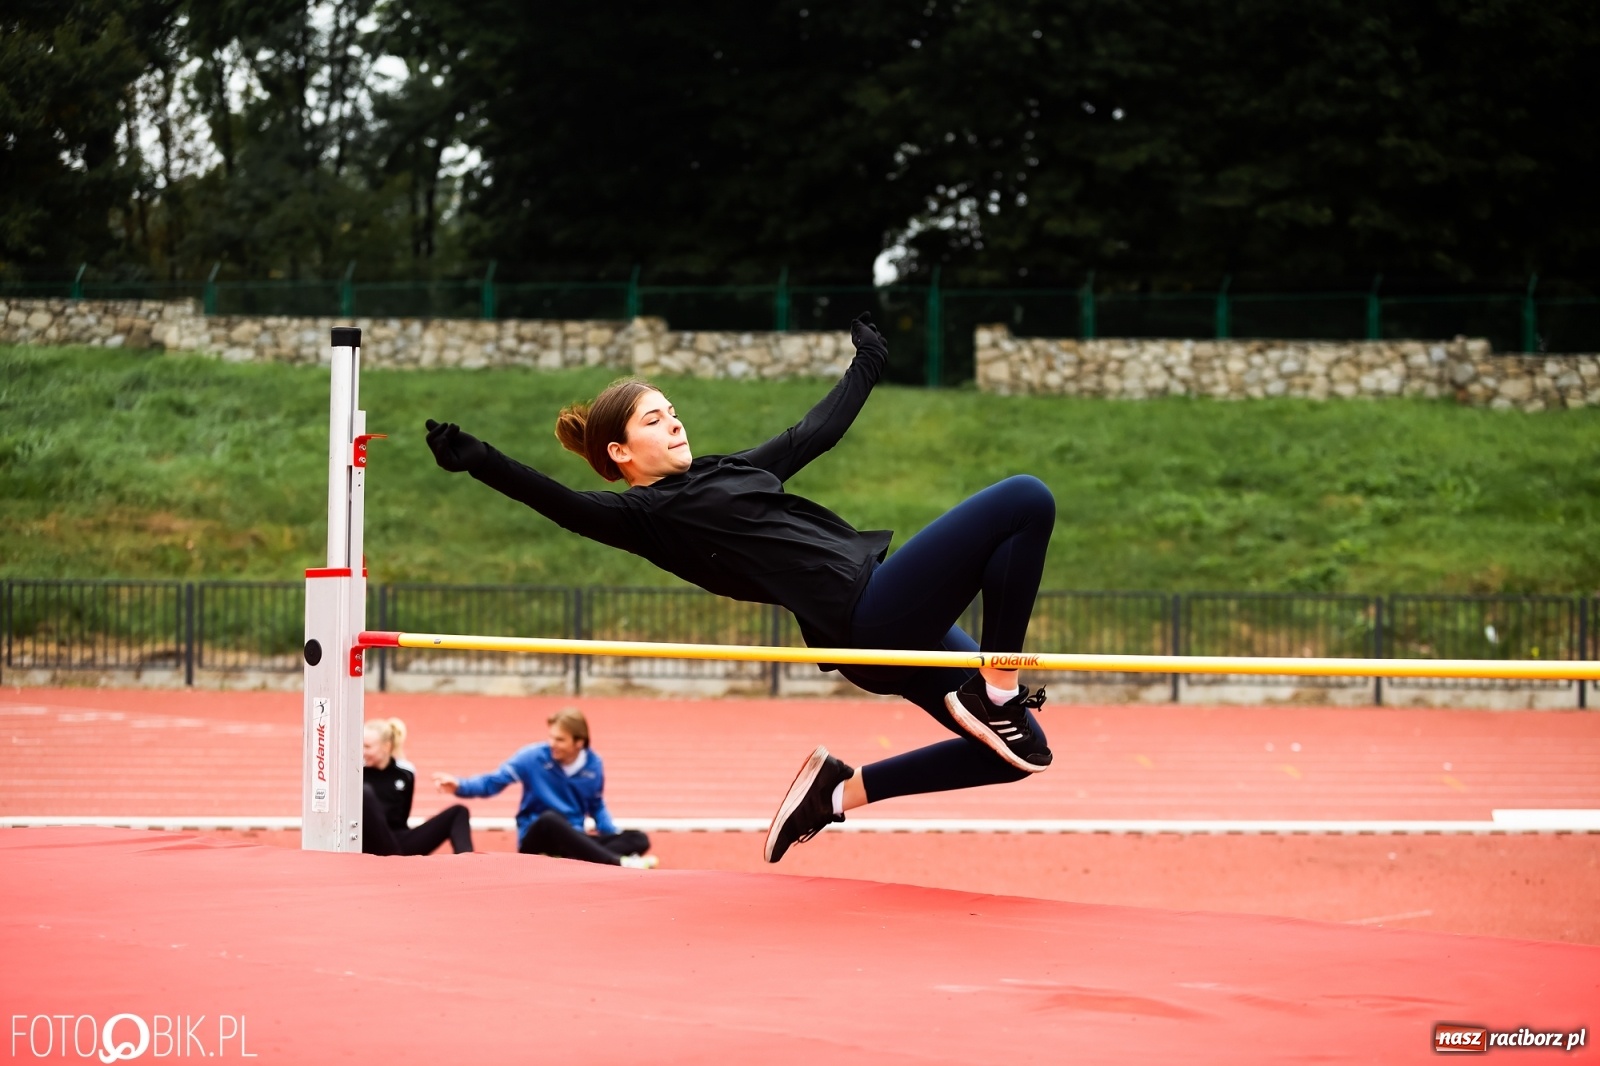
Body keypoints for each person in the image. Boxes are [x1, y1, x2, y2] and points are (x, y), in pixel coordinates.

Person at [424, 313, 1054, 864]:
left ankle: (836, 792)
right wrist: (481, 460)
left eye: (672, 410)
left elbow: (817, 432)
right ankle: (995, 689)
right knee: (1025, 499)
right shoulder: (644, 517)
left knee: (1019, 754)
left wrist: (871, 359)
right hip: (869, 614)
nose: (674, 423)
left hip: (880, 622)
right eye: (654, 418)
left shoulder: (728, 470)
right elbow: (559, 503)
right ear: (620, 451)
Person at [433, 707, 656, 868]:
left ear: (579, 743)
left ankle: (576, 859)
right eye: (550, 737)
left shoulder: (594, 765)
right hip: (536, 837)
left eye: (560, 740)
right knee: (550, 819)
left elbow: (596, 805)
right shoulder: (531, 757)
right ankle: (614, 862)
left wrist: (611, 835)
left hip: (573, 837)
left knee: (638, 839)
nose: (552, 744)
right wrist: (460, 786)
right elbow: (493, 782)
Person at [361, 717, 474, 856]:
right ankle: (394, 859)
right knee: (364, 792)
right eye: (360, 746)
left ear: (386, 746)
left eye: (367, 747)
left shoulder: (406, 773)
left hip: (399, 842)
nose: (362, 752)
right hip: (369, 844)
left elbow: (402, 815)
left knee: (459, 812)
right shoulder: (355, 773)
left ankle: (468, 862)